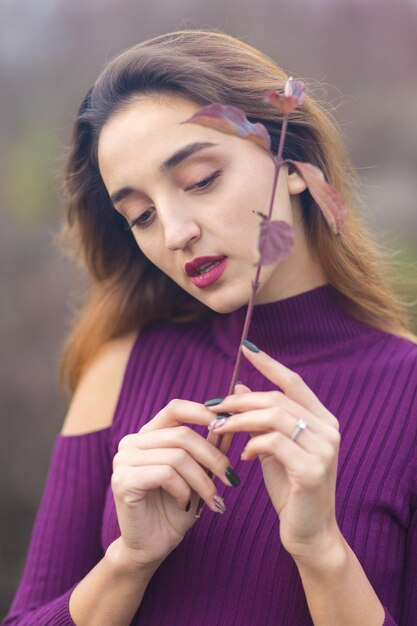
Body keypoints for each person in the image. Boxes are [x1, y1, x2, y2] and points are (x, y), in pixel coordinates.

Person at [3, 29, 417, 626]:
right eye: (140, 216)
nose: (174, 233)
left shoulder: (406, 394)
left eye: (200, 180)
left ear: (293, 162)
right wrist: (129, 561)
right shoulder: (120, 369)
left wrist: (322, 552)